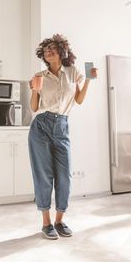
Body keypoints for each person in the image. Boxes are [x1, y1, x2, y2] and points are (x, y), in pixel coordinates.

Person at [28, 34, 97, 240]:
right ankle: (46, 223)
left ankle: (59, 220)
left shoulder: (72, 72)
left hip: (62, 126)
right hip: (41, 126)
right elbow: (34, 107)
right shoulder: (39, 75)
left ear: (62, 52)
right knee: (44, 175)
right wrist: (34, 90)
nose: (48, 51)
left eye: (52, 48)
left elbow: (79, 99)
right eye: (46, 49)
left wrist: (89, 81)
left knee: (65, 175)